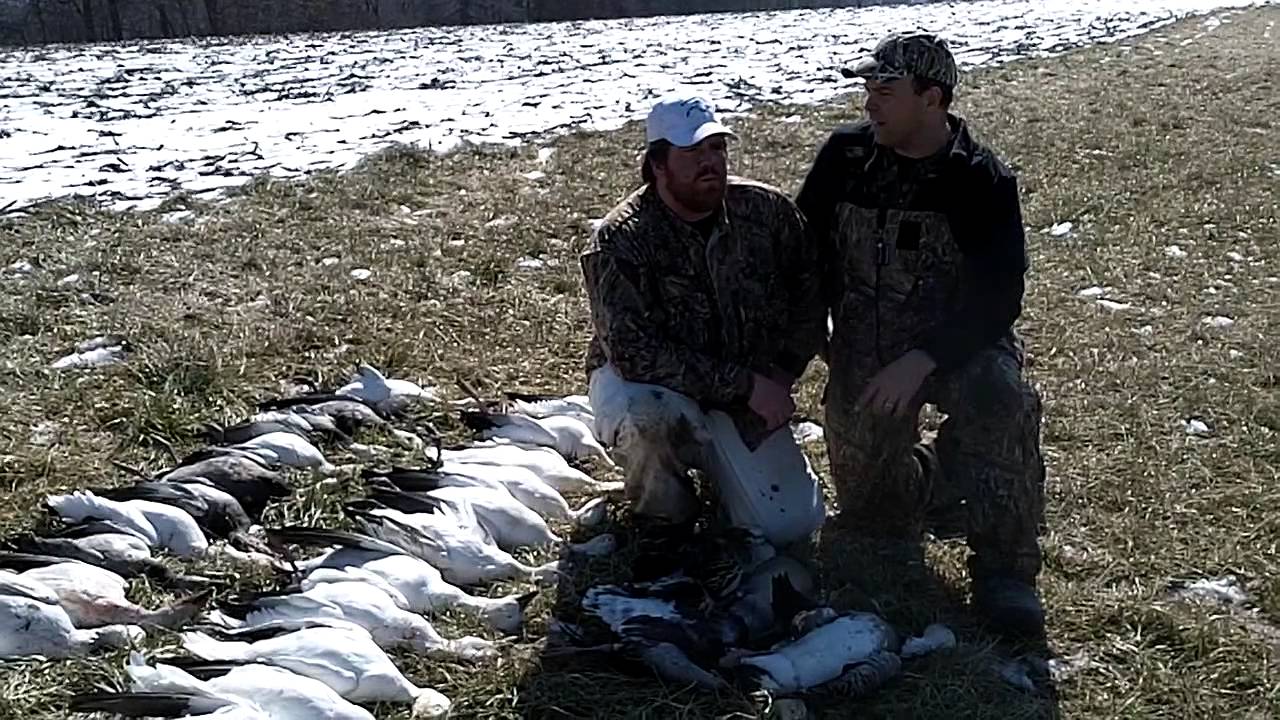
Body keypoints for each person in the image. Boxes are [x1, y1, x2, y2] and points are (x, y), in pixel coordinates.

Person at [794, 32, 1047, 638]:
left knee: (1002, 402)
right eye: (866, 89)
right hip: (865, 349)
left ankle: (1004, 571)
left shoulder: (979, 179)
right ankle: (942, 475)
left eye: (885, 91)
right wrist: (818, 336)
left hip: (956, 345)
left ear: (932, 99)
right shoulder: (845, 157)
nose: (869, 104)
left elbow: (998, 297)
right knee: (873, 514)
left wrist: (925, 357)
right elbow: (804, 253)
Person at [580, 92, 827, 550]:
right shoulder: (620, 239)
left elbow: (810, 296)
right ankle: (664, 527)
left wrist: (782, 373)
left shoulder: (767, 213)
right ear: (658, 165)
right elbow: (634, 354)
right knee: (650, 420)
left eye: (717, 148)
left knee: (790, 526)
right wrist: (747, 384)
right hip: (650, 385)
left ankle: (726, 476)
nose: (710, 162)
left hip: (745, 388)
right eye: (693, 152)